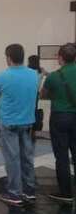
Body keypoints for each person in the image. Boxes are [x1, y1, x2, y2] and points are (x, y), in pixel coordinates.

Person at [0, 44, 39, 206]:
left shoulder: (2, 76)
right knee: (27, 158)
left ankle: (14, 193)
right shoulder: (33, 74)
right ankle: (29, 191)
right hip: (27, 121)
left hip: (9, 122)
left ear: (9, 58)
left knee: (13, 159)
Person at [41, 43, 76, 203]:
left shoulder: (54, 76)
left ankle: (66, 193)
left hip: (60, 117)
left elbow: (43, 95)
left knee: (61, 156)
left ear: (60, 57)